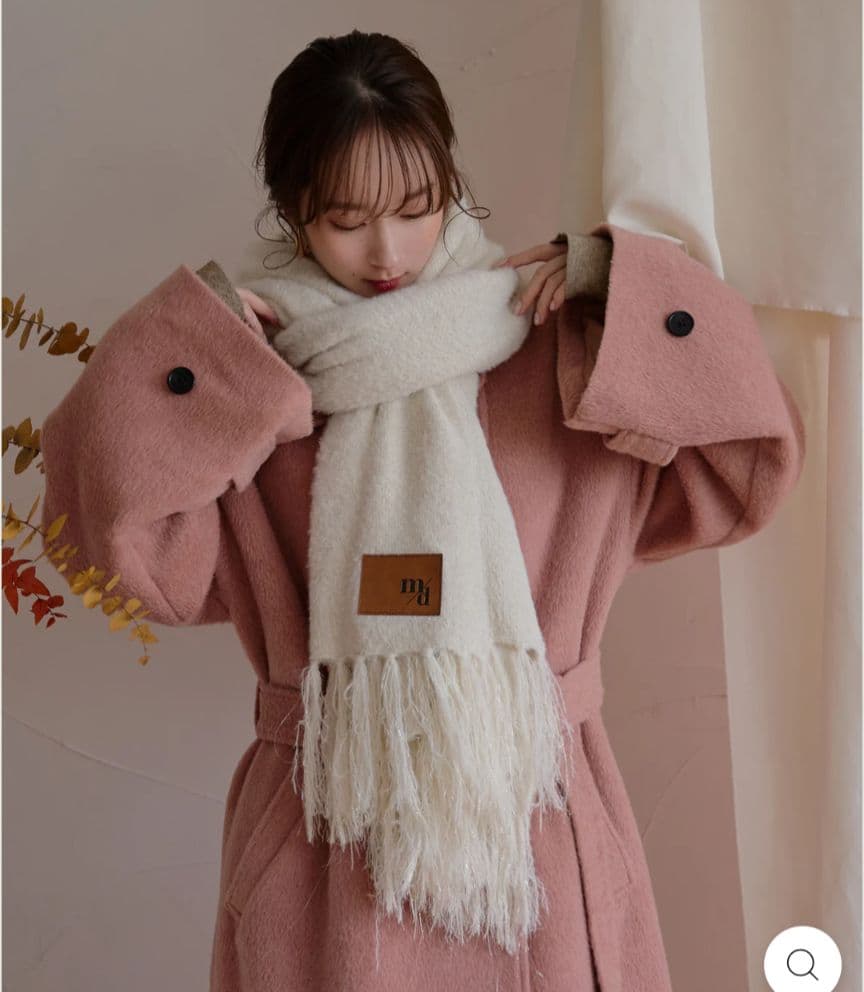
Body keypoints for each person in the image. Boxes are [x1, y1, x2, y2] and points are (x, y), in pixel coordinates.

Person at [39, 28, 806, 992]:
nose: (389, 251)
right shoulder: (252, 385)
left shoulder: (554, 341)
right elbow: (101, 544)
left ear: (451, 179)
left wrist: (629, 288)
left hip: (538, 843)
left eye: (416, 207)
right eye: (346, 219)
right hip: (328, 842)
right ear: (293, 210)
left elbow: (747, 464)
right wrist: (191, 344)